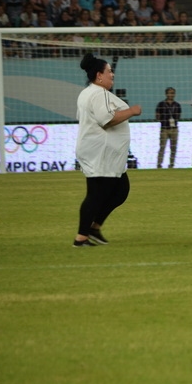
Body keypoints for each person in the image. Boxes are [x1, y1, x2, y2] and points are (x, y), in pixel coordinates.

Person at [73, 54, 142, 247]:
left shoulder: (89, 92)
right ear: (98, 75)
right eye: (109, 71)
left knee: (121, 190)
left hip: (105, 153)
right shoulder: (98, 94)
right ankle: (81, 238)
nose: (112, 74)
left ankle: (94, 229)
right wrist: (132, 111)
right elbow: (107, 120)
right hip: (100, 152)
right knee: (95, 195)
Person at [155, 87, 181, 168]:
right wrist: (163, 121)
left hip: (174, 129)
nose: (171, 95)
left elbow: (179, 116)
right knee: (162, 147)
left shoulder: (177, 105)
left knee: (173, 147)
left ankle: (172, 164)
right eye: (169, 93)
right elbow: (157, 115)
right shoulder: (161, 104)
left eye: (172, 93)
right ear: (166, 94)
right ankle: (159, 164)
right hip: (165, 129)